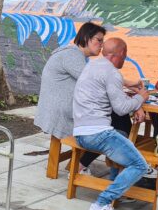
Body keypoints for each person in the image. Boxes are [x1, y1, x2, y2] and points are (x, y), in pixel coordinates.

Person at [33, 22, 132, 174]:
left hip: (65, 105)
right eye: (98, 40)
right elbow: (99, 79)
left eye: (102, 41)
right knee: (117, 120)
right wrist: (131, 85)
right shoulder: (71, 55)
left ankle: (88, 164)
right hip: (61, 109)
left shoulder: (78, 56)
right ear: (86, 37)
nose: (101, 45)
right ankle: (85, 166)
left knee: (118, 117)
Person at [72, 38, 150, 210]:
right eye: (125, 54)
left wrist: (133, 98)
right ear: (119, 54)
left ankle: (117, 190)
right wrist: (141, 98)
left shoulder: (92, 66)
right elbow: (122, 108)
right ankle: (101, 204)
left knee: (122, 137)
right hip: (98, 134)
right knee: (140, 165)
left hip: (80, 131)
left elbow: (113, 93)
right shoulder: (112, 73)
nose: (126, 57)